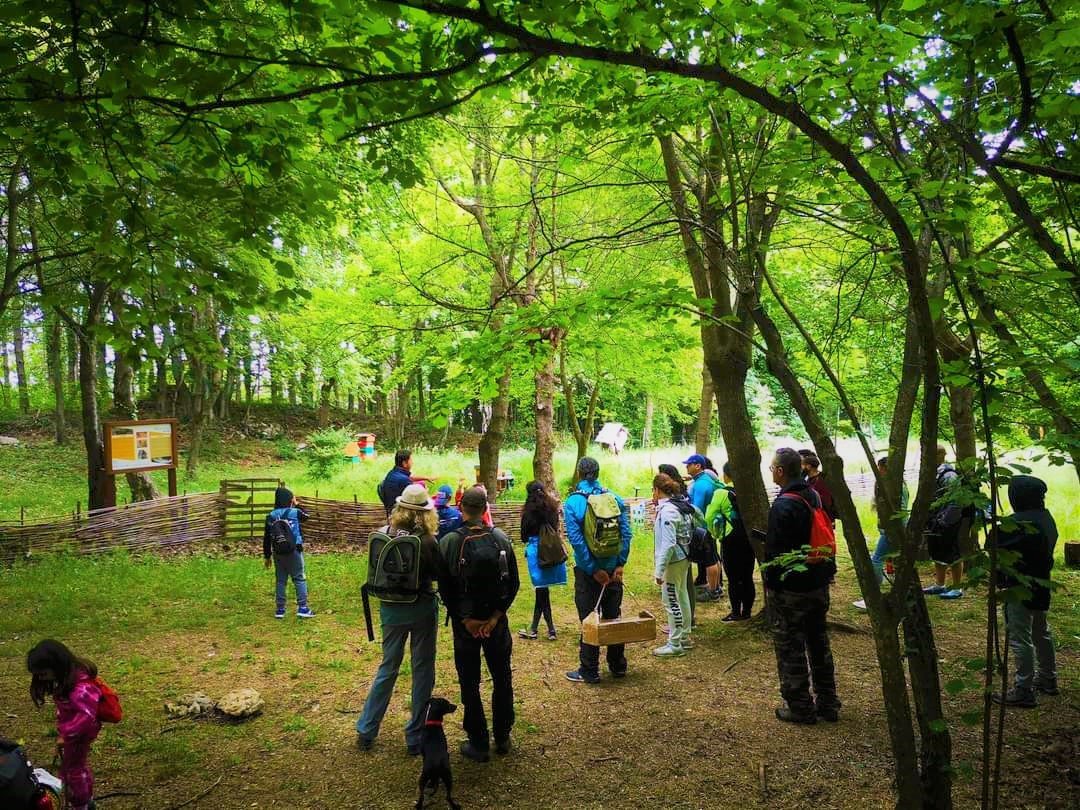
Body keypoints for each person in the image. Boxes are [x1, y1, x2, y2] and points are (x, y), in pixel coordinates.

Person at [356, 484, 442, 754]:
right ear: (426, 512)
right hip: (422, 610)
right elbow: (439, 574)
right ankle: (415, 736)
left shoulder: (383, 535)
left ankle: (367, 729)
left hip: (390, 610)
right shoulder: (428, 541)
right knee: (422, 670)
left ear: (400, 508)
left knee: (388, 667)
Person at [437, 487, 520, 762]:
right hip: (497, 624)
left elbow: (445, 586)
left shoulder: (449, 541)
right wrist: (496, 617)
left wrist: (466, 620)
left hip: (466, 626)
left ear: (461, 507)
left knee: (469, 682)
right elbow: (514, 583)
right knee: (502, 677)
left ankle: (478, 741)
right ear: (486, 508)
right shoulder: (501, 539)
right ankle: (503, 735)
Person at [765, 447, 840, 724]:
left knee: (790, 647)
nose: (771, 472)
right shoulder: (814, 495)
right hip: (819, 583)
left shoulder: (784, 504)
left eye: (772, 468)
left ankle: (799, 706)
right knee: (819, 643)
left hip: (792, 590)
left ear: (781, 471)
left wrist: (773, 586)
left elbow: (774, 555)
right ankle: (828, 703)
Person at [563, 457, 633, 684]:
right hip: (613, 570)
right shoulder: (615, 498)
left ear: (580, 473)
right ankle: (617, 665)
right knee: (613, 616)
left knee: (589, 619)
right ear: (598, 472)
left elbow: (576, 540)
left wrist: (593, 569)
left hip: (588, 573)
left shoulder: (573, 503)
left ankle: (589, 670)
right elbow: (626, 533)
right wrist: (620, 563)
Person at [993, 475, 1058, 707]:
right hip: (1041, 584)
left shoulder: (1019, 523)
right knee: (1041, 632)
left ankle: (1024, 689)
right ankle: (1048, 679)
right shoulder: (1045, 518)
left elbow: (993, 545)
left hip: (1018, 588)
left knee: (1021, 638)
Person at [27, 640, 104, 810]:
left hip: (79, 734)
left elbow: (86, 716)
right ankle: (84, 800)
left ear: (57, 666)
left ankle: (82, 803)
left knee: (74, 770)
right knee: (72, 767)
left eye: (43, 673)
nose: (40, 678)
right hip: (73, 733)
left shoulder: (80, 689)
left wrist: (67, 735)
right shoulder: (68, 682)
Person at [853, 457, 909, 611]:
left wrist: (891, 528)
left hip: (893, 529)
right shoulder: (894, 485)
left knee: (876, 559)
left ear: (885, 468)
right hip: (892, 528)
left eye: (879, 467)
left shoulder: (894, 486)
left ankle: (873, 597)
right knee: (895, 560)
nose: (877, 470)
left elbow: (900, 511)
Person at [706, 461, 756, 621]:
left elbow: (710, 516)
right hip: (749, 537)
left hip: (730, 538)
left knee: (734, 578)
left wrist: (716, 534)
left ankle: (736, 612)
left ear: (727, 475)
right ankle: (747, 612)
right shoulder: (752, 491)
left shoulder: (721, 493)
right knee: (747, 576)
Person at [518, 481, 567, 641]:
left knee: (541, 591)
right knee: (542, 592)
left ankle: (539, 630)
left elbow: (523, 536)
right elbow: (555, 527)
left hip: (536, 552)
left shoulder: (528, 512)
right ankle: (546, 629)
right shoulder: (552, 508)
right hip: (551, 550)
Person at [652, 474, 693, 656]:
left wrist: (659, 571)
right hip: (683, 557)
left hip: (673, 561)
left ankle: (675, 643)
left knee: (671, 600)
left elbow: (667, 544)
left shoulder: (668, 511)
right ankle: (684, 636)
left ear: (657, 490)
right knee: (682, 595)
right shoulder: (680, 506)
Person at [923, 446, 968, 599]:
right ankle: (940, 584)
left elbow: (956, 502)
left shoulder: (948, 475)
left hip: (948, 521)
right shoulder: (933, 472)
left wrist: (944, 521)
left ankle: (957, 588)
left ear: (939, 455)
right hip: (935, 520)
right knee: (937, 551)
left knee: (952, 553)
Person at [263, 486, 314, 619]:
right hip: (294, 550)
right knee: (299, 577)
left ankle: (280, 610)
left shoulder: (271, 516)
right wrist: (297, 504)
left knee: (280, 580)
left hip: (277, 551)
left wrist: (267, 556)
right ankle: (303, 607)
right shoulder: (295, 512)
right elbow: (307, 517)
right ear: (289, 499)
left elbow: (267, 538)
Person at [685, 454, 724, 599]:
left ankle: (713, 591)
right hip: (710, 525)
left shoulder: (701, 484)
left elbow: (697, 509)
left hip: (704, 527)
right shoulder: (706, 480)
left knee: (710, 560)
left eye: (689, 464)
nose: (686, 467)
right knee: (713, 556)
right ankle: (716, 587)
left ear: (698, 466)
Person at [378, 449, 431, 516]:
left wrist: (426, 478)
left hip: (391, 508)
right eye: (411, 460)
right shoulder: (404, 480)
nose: (412, 462)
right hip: (401, 513)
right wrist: (425, 492)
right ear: (404, 463)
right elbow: (415, 499)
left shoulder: (392, 473)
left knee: (421, 483)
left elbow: (410, 478)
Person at [799, 450, 837, 524]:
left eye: (802, 465)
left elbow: (826, 501)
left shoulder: (821, 480)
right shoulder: (808, 480)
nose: (801, 467)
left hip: (823, 519)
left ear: (809, 466)